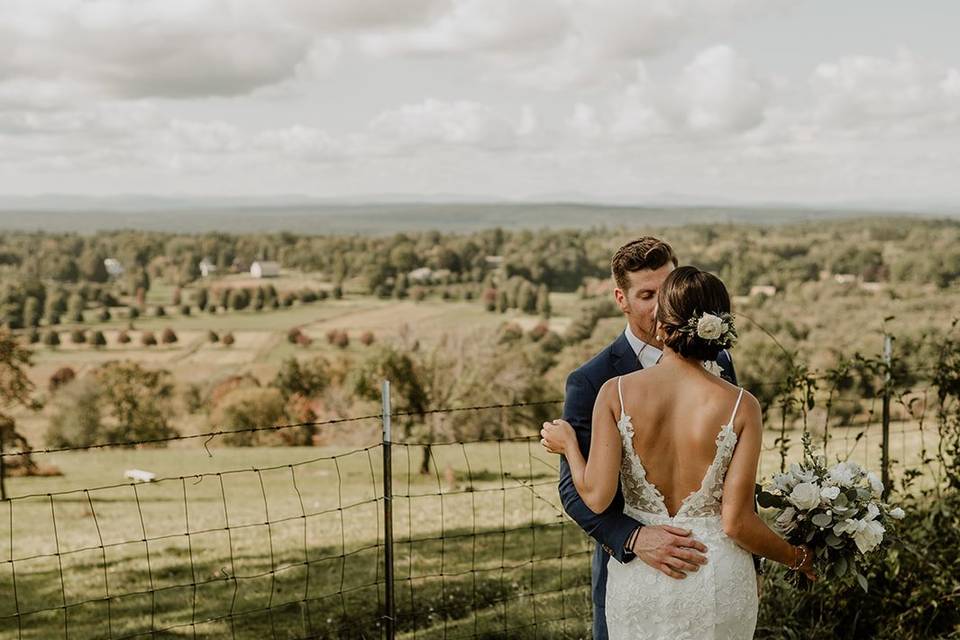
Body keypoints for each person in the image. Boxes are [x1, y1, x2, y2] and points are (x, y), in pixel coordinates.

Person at [542, 264, 815, 639]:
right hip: (715, 577)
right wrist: (797, 558)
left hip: (641, 583)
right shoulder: (742, 405)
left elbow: (596, 496)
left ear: (661, 325)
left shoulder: (615, 393)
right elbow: (737, 522)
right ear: (720, 328)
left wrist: (570, 447)